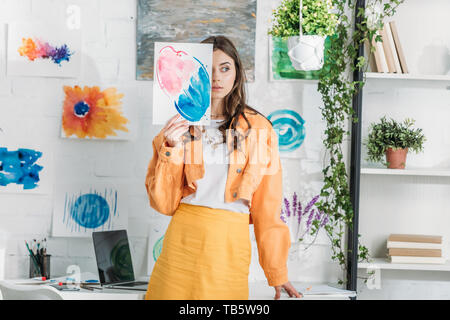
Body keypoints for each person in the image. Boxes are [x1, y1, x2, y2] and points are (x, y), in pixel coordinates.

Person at [144, 35, 302, 300]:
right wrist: (171, 146)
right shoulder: (178, 126)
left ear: (237, 74)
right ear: (196, 73)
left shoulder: (259, 129)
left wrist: (277, 273)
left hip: (229, 246)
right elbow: (163, 204)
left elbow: (268, 208)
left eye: (225, 68)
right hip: (181, 245)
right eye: (208, 68)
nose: (216, 77)